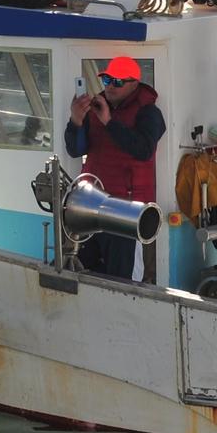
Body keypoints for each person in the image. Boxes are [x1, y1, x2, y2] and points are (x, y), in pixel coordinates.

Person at [63, 56, 164, 281]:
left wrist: (109, 121)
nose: (110, 85)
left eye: (118, 82)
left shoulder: (149, 113)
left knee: (125, 279)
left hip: (127, 212)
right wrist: (76, 121)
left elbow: (143, 149)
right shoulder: (96, 109)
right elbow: (75, 149)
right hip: (91, 207)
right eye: (107, 79)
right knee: (83, 272)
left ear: (134, 84)